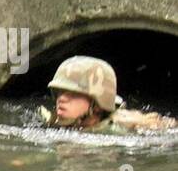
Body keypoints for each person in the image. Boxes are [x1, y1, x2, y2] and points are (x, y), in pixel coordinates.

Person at [40, 55, 176, 133]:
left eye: (74, 94)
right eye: (59, 92)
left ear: (97, 105)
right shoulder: (52, 121)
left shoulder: (121, 128)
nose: (61, 99)